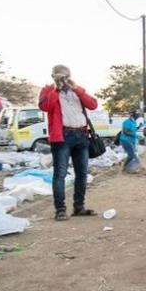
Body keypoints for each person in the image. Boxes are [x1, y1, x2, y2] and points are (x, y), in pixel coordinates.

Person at [38, 64, 98, 220]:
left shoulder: (77, 90)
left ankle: (79, 207)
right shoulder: (48, 90)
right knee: (60, 174)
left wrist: (76, 88)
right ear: (53, 76)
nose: (64, 79)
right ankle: (60, 210)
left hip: (81, 134)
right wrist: (56, 88)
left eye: (66, 76)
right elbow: (45, 106)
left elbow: (93, 104)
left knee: (82, 174)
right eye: (60, 76)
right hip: (62, 136)